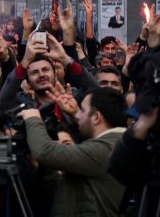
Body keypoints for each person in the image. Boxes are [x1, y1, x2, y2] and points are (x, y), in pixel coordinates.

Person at [18, 87, 127, 217]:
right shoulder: (117, 143)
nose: (79, 114)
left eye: (83, 110)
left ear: (96, 117)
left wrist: (33, 118)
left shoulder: (107, 148)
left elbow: (44, 152)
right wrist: (75, 114)